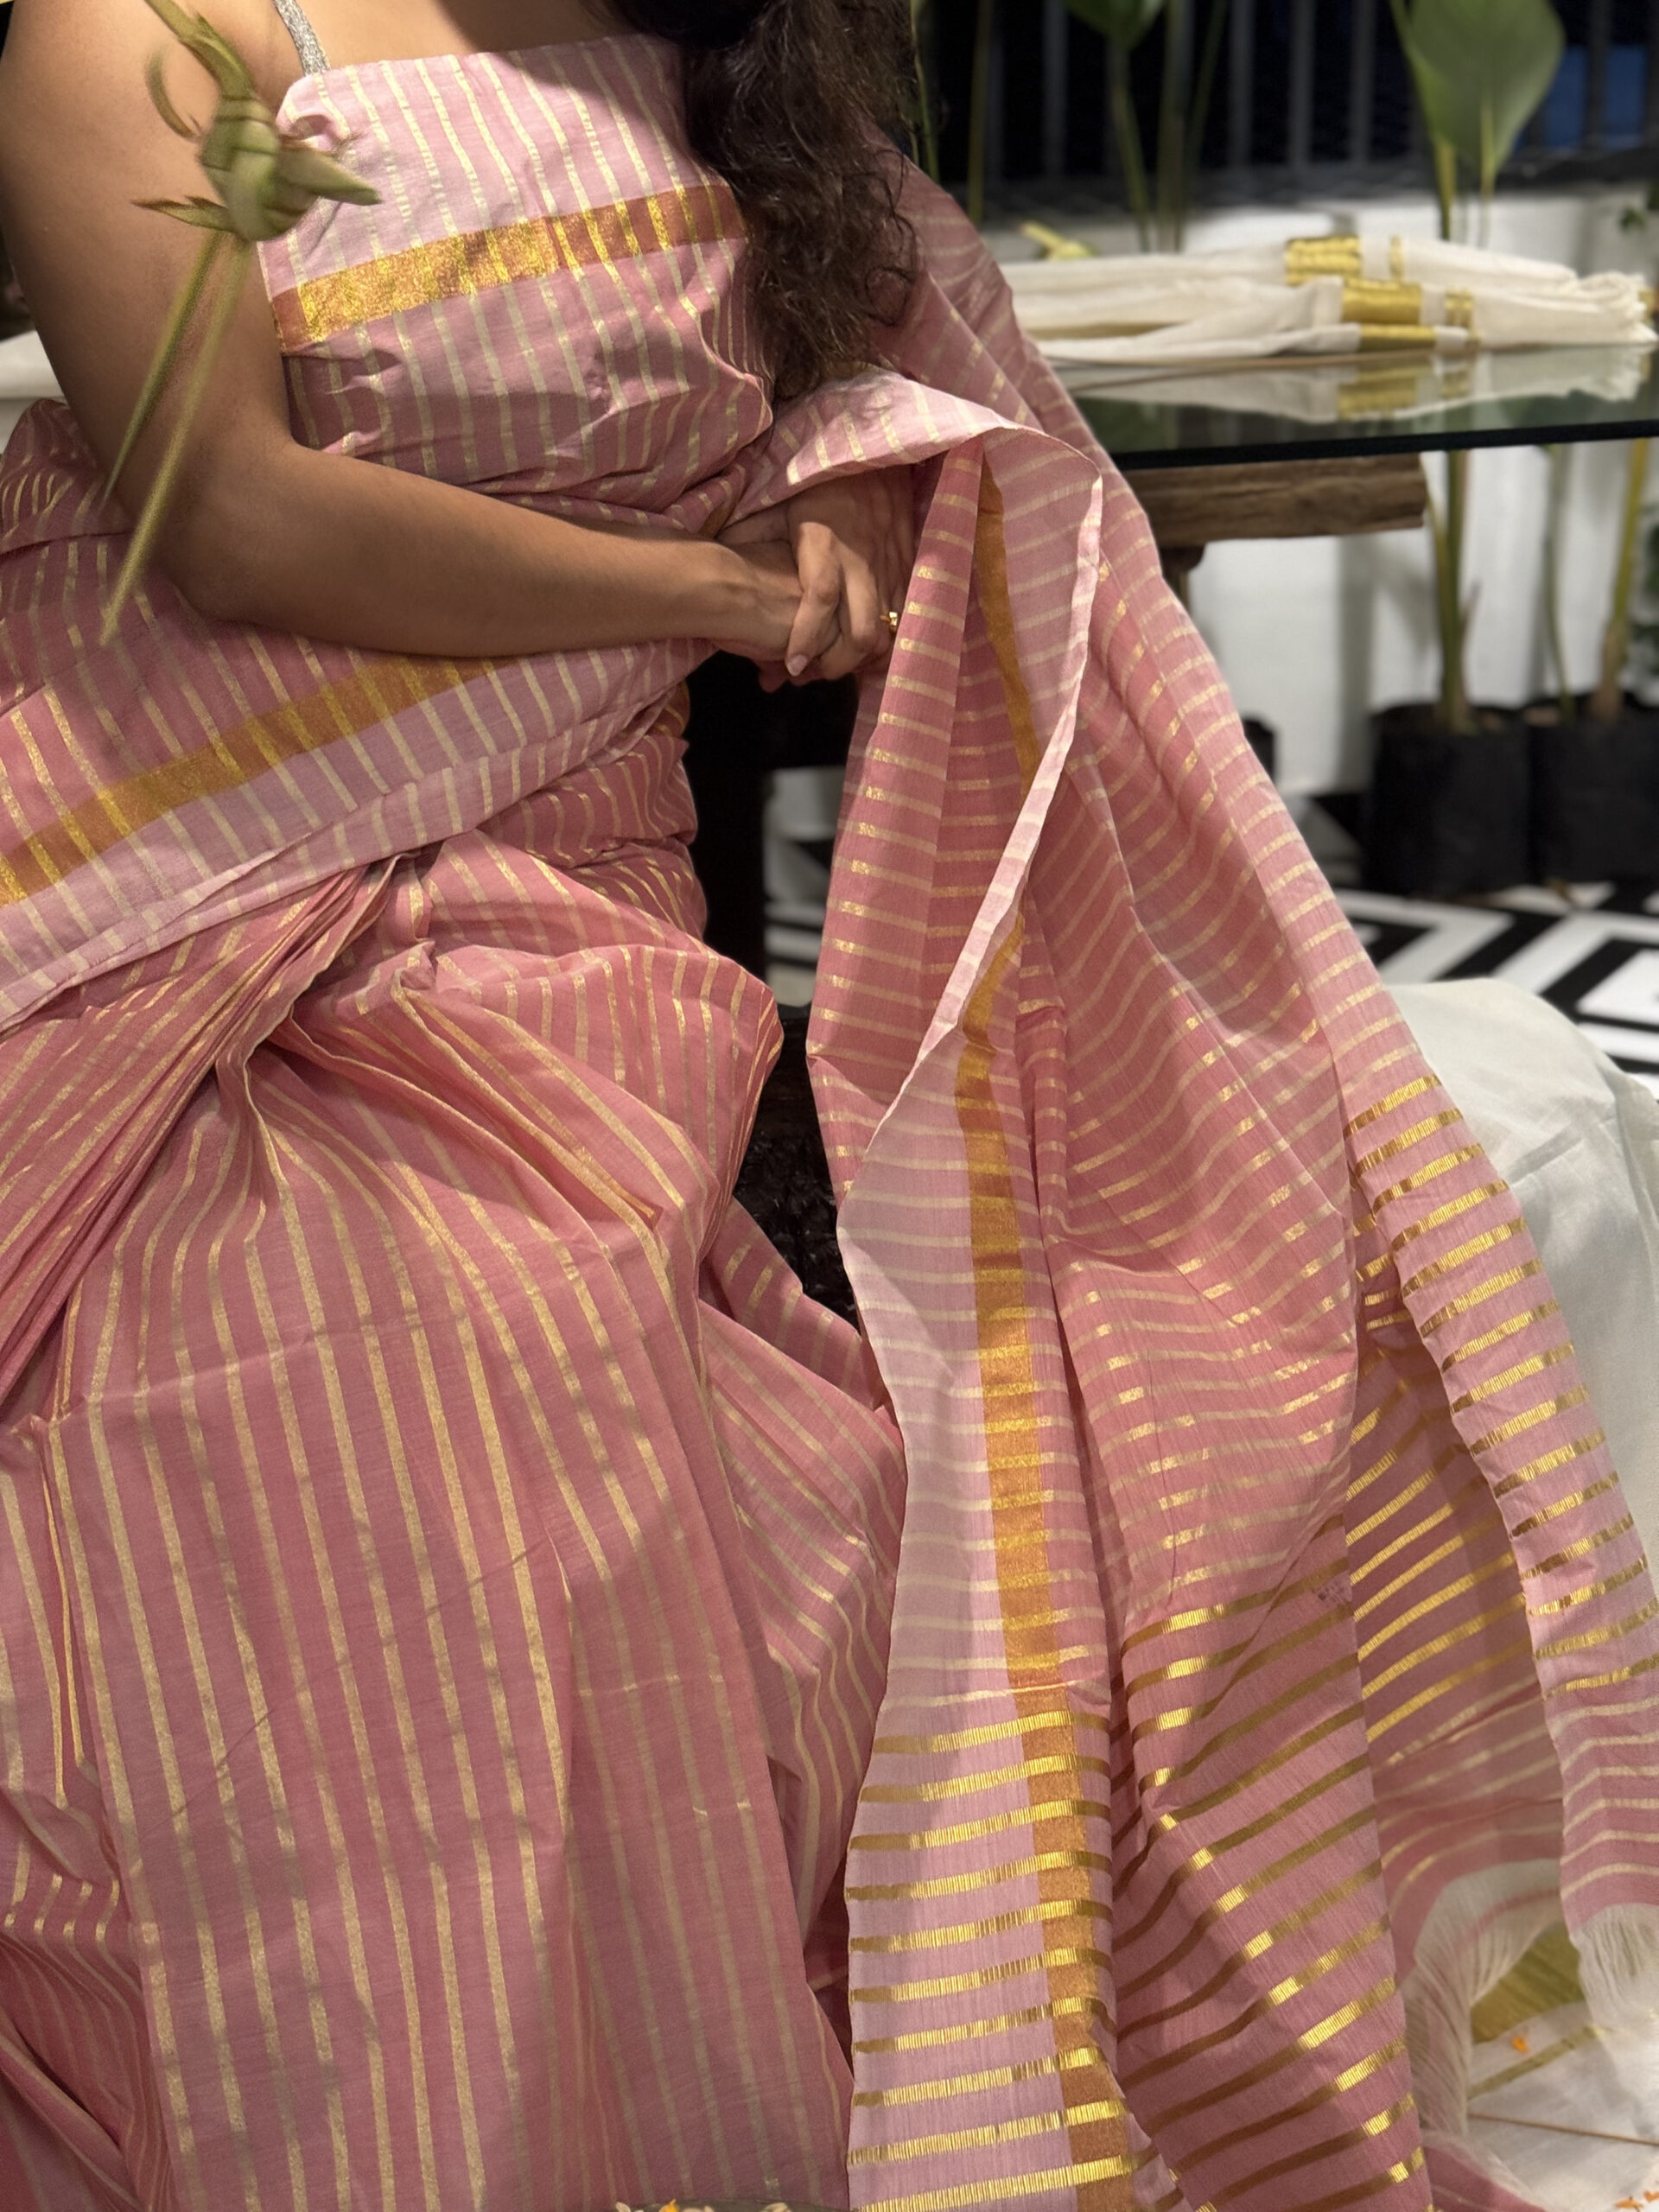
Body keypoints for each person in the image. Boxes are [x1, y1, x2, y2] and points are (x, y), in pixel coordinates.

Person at [0, 3, 1655, 2209]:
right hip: (167, 880)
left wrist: (853, 467)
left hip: (578, 896)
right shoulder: (144, 30)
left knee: (856, 1459)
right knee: (376, 1427)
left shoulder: (709, 44)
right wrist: (712, 585)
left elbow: (876, 342)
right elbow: (227, 516)